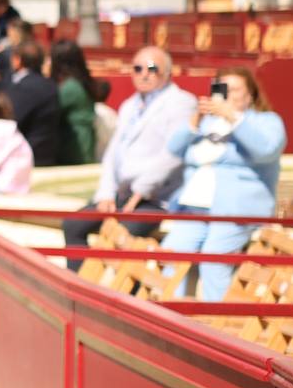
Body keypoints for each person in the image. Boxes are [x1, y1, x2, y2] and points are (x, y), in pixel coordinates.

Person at [162, 68, 289, 300]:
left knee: (214, 258)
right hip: (195, 208)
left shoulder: (265, 121)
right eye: (222, 89)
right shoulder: (207, 123)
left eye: (235, 89)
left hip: (236, 210)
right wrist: (194, 122)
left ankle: (217, 319)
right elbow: (173, 148)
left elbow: (267, 149)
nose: (228, 95)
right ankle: (170, 312)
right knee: (171, 252)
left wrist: (233, 118)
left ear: (250, 94)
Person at [61, 46, 197, 258]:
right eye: (138, 68)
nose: (144, 74)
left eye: (152, 68)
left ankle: (123, 290)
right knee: (73, 225)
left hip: (156, 198)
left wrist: (141, 190)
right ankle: (77, 284)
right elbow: (113, 153)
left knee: (124, 237)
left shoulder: (182, 103)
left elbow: (172, 155)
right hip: (123, 193)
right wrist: (105, 192)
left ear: (168, 73)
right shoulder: (129, 105)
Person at [1, 39, 74, 169]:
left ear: (17, 60)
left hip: (23, 159)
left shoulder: (22, 87)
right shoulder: (51, 86)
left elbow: (9, 121)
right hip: (47, 156)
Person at [50, 37, 104, 165]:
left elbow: (50, 106)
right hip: (84, 143)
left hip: (75, 147)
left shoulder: (70, 88)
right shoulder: (79, 82)